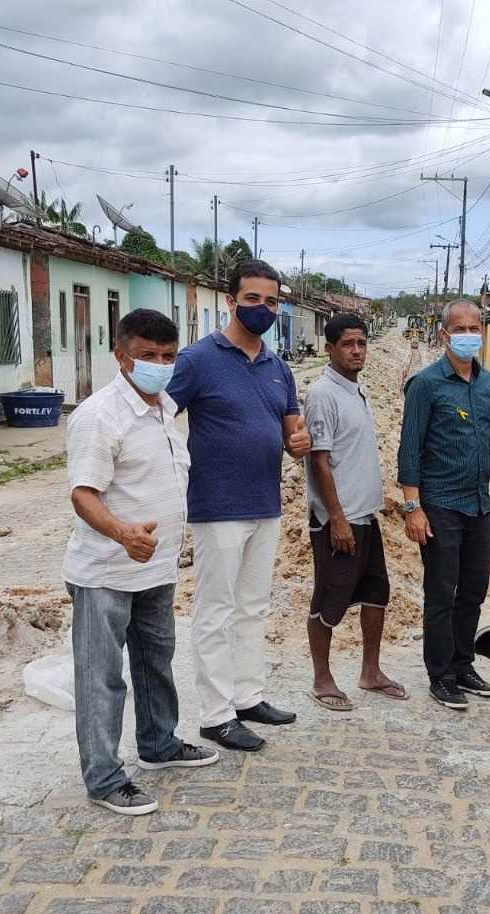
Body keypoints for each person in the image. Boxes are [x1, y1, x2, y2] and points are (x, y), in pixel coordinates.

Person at [63, 308, 219, 816]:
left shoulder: (165, 408)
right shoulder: (99, 415)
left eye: (167, 356)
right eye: (146, 356)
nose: (158, 364)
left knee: (155, 661)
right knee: (101, 676)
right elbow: (83, 494)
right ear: (121, 356)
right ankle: (105, 777)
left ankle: (159, 744)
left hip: (156, 568)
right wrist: (121, 533)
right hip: (106, 571)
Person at [167, 259, 311, 753]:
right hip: (217, 505)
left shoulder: (278, 367)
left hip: (265, 504)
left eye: (271, 301)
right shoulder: (197, 360)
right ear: (231, 301)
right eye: (252, 299)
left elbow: (292, 428)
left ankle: (248, 697)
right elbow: (159, 416)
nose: (263, 309)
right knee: (215, 612)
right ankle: (215, 715)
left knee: (252, 607)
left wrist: (298, 442)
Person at [398, 300, 490, 711]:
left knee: (474, 592)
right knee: (441, 593)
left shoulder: (486, 384)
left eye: (475, 327)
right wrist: (413, 508)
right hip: (441, 505)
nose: (469, 334)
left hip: (478, 506)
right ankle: (440, 675)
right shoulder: (426, 384)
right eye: (460, 328)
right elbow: (409, 450)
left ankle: (463, 665)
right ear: (444, 335)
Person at [304, 313, 405, 710]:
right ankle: (321, 679)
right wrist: (337, 518)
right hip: (337, 520)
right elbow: (320, 460)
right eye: (348, 344)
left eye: (362, 343)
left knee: (376, 592)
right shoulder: (323, 394)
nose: (357, 350)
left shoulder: (355, 390)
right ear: (329, 348)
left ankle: (371, 672)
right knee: (330, 599)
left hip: (366, 516)